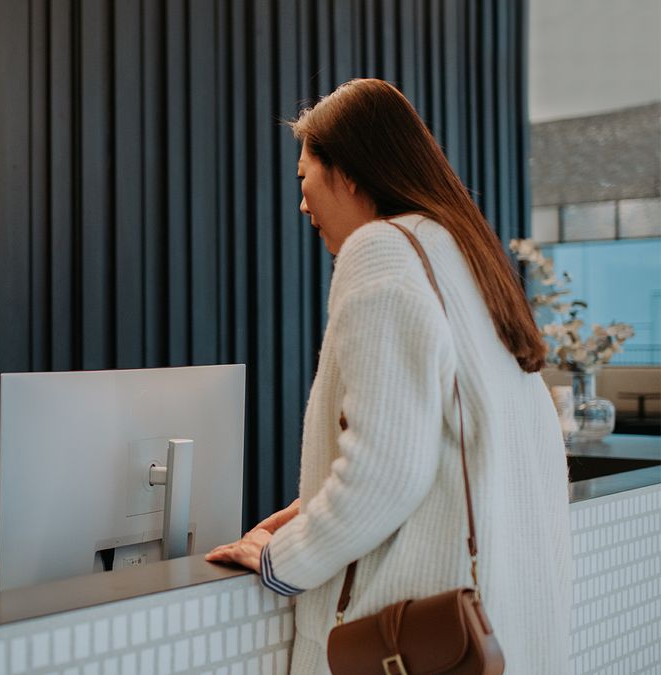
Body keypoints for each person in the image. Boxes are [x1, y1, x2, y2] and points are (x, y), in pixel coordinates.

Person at [206, 79, 572, 674]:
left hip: (411, 640)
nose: (303, 205)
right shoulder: (466, 254)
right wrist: (317, 504)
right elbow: (451, 444)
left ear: (348, 172)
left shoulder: (383, 249)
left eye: (305, 179)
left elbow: (387, 472)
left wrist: (282, 557)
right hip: (502, 633)